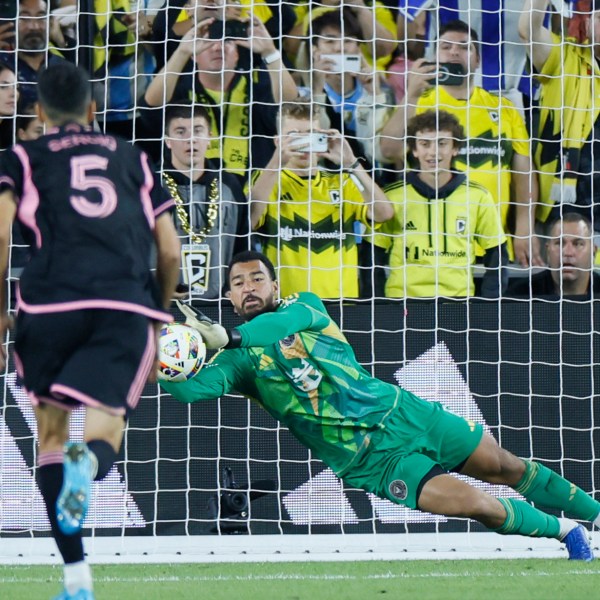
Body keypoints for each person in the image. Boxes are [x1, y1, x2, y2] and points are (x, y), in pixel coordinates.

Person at [161, 250, 598, 562]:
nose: (248, 287)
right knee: (476, 504)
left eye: (257, 278)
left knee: (506, 466)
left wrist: (230, 335)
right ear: (231, 299)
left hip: (404, 414)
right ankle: (567, 531)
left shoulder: (304, 306)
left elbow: (280, 324)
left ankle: (596, 515)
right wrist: (159, 362)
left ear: (276, 284)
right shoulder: (238, 363)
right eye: (237, 284)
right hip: (371, 462)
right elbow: (193, 391)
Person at [0, 62, 181, 600]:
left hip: (47, 306)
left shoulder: (22, 158)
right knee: (104, 435)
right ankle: (91, 466)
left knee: (51, 439)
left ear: (38, 113)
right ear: (92, 109)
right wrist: (158, 309)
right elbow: (169, 248)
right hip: (121, 306)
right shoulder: (132, 158)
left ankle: (76, 579)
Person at [380, 19, 541, 268]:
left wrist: (525, 228)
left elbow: (523, 172)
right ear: (434, 56)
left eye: (464, 47)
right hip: (433, 249)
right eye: (446, 46)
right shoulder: (419, 103)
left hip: (492, 244)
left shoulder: (505, 109)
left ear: (477, 60)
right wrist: (410, 96)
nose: (454, 51)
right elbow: (388, 151)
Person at [250, 101, 393, 299]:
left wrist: (351, 163)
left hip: (341, 307)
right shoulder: (266, 181)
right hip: (285, 309)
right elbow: (249, 221)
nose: (303, 144)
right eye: (293, 136)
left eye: (310, 134)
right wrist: (276, 162)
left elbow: (384, 213)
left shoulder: (343, 182)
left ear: (323, 137)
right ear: (277, 141)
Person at [143, 14, 298, 181]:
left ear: (237, 54)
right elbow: (152, 104)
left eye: (227, 41)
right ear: (194, 55)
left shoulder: (257, 88)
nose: (218, 47)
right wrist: (182, 52)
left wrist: (270, 52)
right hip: (190, 188)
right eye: (209, 41)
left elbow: (289, 107)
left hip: (252, 190)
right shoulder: (180, 88)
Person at [375, 110, 508, 298]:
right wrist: (377, 306)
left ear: (455, 149)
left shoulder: (478, 196)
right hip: (402, 303)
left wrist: (488, 306)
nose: (433, 152)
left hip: (459, 303)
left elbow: (497, 255)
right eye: (424, 144)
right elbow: (371, 255)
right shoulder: (392, 196)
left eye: (442, 143)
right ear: (414, 150)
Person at [519, 0, 600, 242]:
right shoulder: (565, 57)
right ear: (586, 23)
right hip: (563, 215)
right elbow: (528, 31)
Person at [162, 101, 249, 300]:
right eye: (180, 132)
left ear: (210, 138)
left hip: (222, 304)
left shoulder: (230, 185)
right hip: (166, 302)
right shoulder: (152, 184)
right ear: (168, 140)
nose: (190, 139)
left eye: (198, 130)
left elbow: (243, 244)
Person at [306, 8, 395, 176]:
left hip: (372, 177)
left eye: (347, 41)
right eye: (330, 41)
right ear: (314, 49)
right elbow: (316, 146)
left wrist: (373, 95)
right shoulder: (302, 92)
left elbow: (376, 151)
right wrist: (317, 91)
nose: (340, 48)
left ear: (358, 48)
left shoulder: (381, 90)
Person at [508, 212, 600, 298]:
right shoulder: (520, 295)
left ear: (593, 251)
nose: (568, 253)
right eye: (559, 243)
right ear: (548, 251)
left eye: (578, 244)